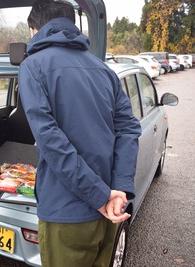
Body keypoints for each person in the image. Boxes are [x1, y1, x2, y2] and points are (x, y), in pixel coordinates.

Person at [18, 1, 142, 266]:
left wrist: (98, 196)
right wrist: (118, 189)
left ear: (34, 29)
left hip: (67, 215)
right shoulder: (104, 70)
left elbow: (51, 141)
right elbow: (129, 128)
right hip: (111, 208)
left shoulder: (33, 66)